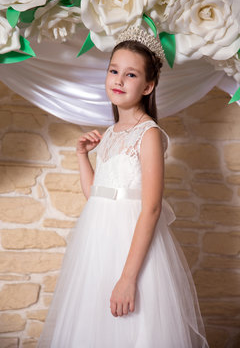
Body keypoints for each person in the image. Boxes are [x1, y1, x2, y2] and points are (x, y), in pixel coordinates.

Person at [37, 27, 209, 347]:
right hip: (97, 245)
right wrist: (81, 157)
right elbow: (96, 195)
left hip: (130, 247)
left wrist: (128, 277)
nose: (118, 80)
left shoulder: (149, 134)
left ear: (148, 85)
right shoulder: (112, 132)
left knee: (131, 328)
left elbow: (152, 207)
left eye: (130, 75)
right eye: (113, 70)